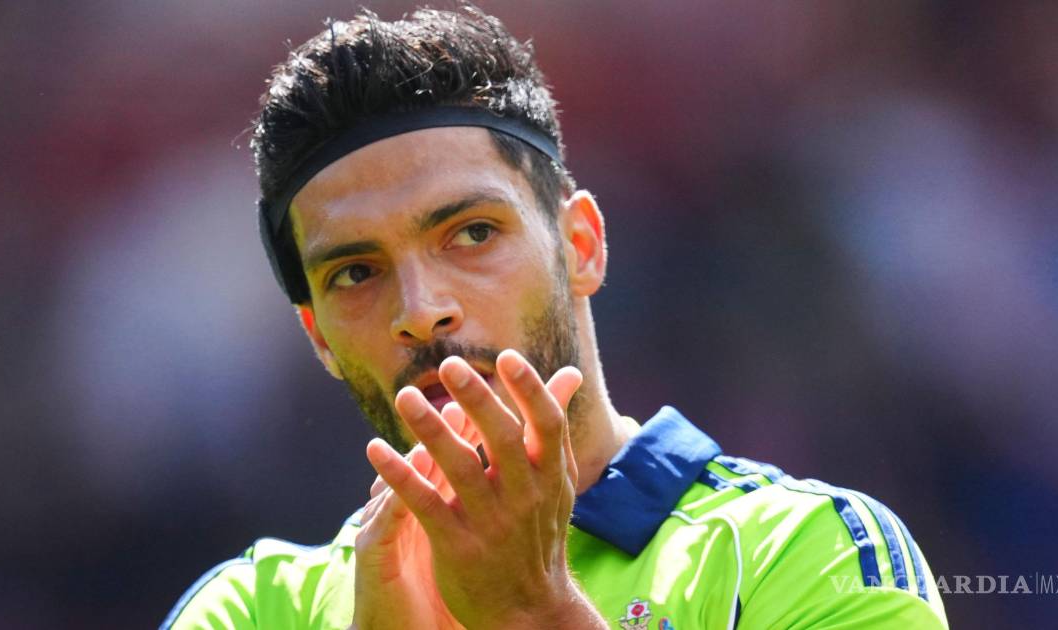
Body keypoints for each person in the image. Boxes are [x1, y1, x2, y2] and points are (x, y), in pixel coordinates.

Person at [162, 6, 949, 629]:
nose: (422, 312)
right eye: (357, 273)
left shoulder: (810, 551)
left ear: (581, 245)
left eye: (472, 233)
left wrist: (533, 614)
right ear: (319, 339)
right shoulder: (248, 611)